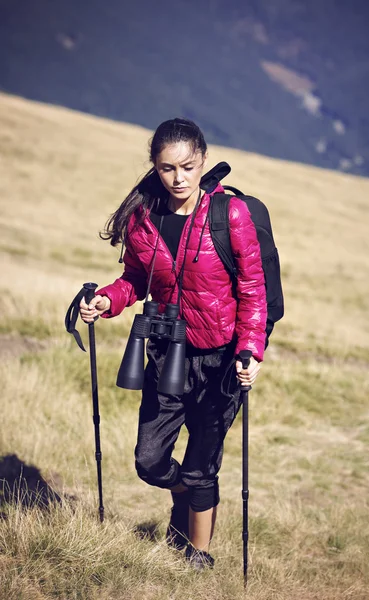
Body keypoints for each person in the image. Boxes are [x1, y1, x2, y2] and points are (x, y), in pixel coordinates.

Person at [79, 118, 266, 570]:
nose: (178, 178)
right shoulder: (144, 219)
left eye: (186, 166)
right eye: (167, 169)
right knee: (149, 460)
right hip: (165, 353)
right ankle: (182, 497)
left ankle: (196, 558)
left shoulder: (229, 215)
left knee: (203, 462)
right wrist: (106, 300)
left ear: (202, 160)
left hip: (220, 362)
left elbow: (253, 289)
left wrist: (250, 352)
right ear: (155, 168)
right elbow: (136, 280)